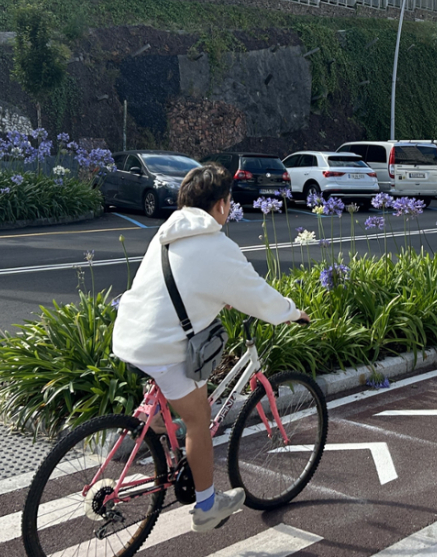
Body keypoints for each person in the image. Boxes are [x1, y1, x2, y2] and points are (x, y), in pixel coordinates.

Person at [112, 164, 309, 532]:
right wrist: (293, 313)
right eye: (229, 202)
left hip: (129, 335)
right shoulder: (218, 246)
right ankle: (206, 507)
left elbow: (185, 283)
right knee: (199, 419)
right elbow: (260, 296)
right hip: (161, 348)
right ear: (220, 205)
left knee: (173, 400)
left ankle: (154, 426)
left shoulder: (166, 233)